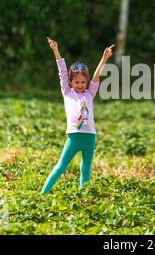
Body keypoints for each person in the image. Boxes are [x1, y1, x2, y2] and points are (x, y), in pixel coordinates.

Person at [41, 37, 114, 194]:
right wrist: (55, 50)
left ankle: (83, 197)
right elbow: (62, 71)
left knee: (85, 169)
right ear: (71, 82)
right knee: (61, 165)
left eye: (83, 83)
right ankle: (43, 194)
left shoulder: (90, 93)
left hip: (89, 137)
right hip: (74, 136)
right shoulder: (67, 92)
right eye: (77, 83)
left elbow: (96, 76)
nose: (80, 85)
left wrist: (104, 58)